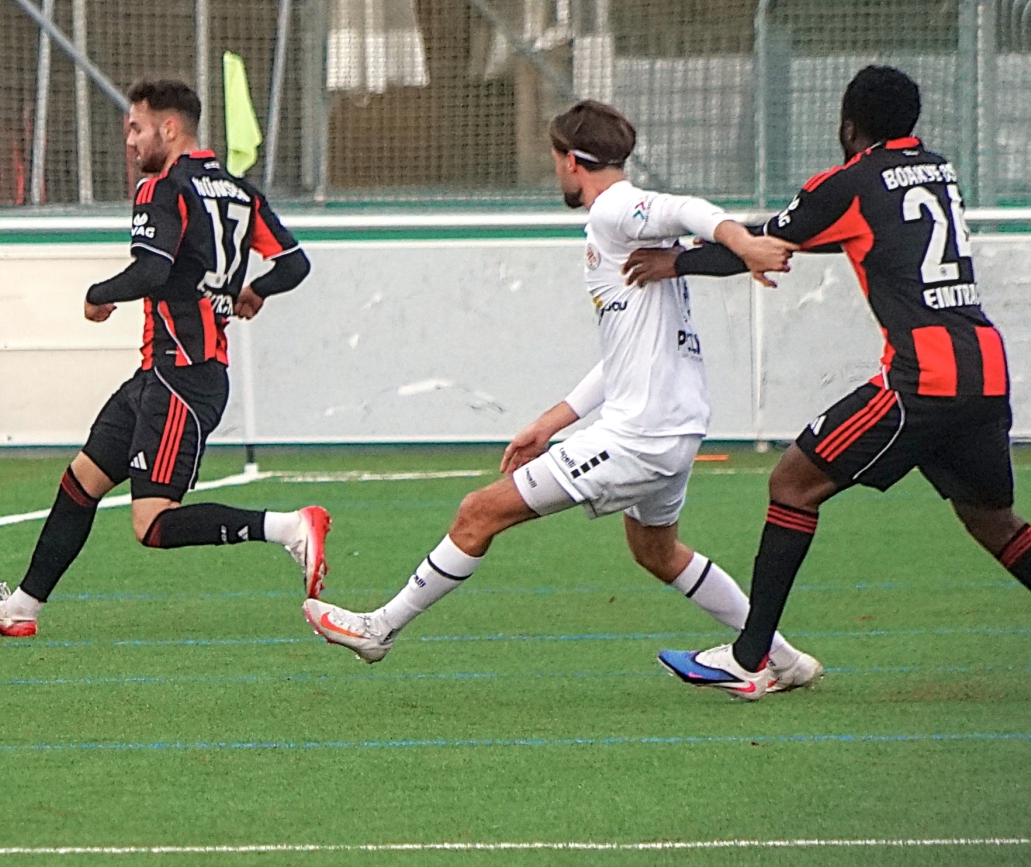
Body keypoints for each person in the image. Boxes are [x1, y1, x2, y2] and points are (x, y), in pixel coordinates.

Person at [637, 66, 1031, 698]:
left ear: (848, 126)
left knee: (792, 482)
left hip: (922, 378)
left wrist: (678, 260)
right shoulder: (939, 170)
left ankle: (750, 658)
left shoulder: (849, 182)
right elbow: (860, 235)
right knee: (994, 522)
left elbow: (770, 239)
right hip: (984, 365)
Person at [302, 100, 822, 689]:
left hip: (641, 434)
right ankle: (780, 657)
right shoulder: (625, 230)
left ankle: (379, 629)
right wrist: (550, 421)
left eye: (555, 160)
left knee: (478, 512)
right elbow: (623, 352)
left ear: (572, 161)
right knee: (655, 552)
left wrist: (746, 245)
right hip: (674, 425)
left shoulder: (616, 210)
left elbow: (690, 209)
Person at [0, 77, 328, 637]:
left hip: (181, 377)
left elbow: (151, 270)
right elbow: (294, 264)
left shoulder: (161, 188)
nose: (130, 140)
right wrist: (255, 291)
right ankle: (23, 608)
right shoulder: (242, 194)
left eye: (136, 127)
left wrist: (98, 295)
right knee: (80, 482)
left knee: (152, 524)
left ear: (168, 128)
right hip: (160, 374)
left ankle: (291, 527)